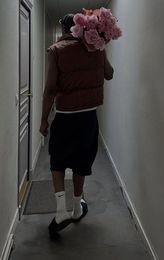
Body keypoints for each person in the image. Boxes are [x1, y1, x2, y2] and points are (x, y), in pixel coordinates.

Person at [39, 13, 114, 237]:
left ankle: (62, 210)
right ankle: (77, 207)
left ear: (64, 28)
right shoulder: (97, 48)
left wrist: (44, 119)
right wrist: (101, 48)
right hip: (89, 116)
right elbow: (109, 74)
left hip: (65, 116)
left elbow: (51, 89)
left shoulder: (57, 50)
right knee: (82, 160)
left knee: (58, 161)